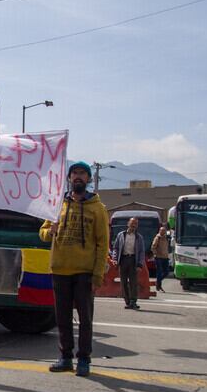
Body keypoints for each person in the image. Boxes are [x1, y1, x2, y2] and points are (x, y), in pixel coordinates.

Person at [39, 161, 109, 377]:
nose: (78, 177)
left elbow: (102, 243)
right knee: (62, 317)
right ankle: (65, 357)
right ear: (69, 178)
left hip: (84, 272)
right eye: (74, 173)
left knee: (85, 318)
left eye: (82, 174)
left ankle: (84, 359)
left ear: (88, 179)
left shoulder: (98, 208)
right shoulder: (58, 205)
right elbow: (42, 232)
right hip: (60, 269)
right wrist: (49, 232)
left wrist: (98, 274)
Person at [112, 217, 148, 309]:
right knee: (123, 282)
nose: (133, 226)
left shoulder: (139, 237)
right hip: (123, 260)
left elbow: (141, 252)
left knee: (133, 282)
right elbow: (115, 248)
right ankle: (127, 302)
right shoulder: (121, 235)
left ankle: (133, 301)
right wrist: (115, 259)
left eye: (135, 224)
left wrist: (140, 264)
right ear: (128, 224)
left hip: (133, 261)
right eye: (132, 223)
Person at [151, 225, 170, 293]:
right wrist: (156, 254)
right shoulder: (157, 238)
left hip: (165, 257)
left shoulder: (166, 238)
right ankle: (159, 285)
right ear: (159, 231)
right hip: (158, 257)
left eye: (164, 231)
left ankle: (158, 282)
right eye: (161, 231)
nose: (163, 232)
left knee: (166, 272)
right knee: (159, 272)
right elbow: (153, 247)